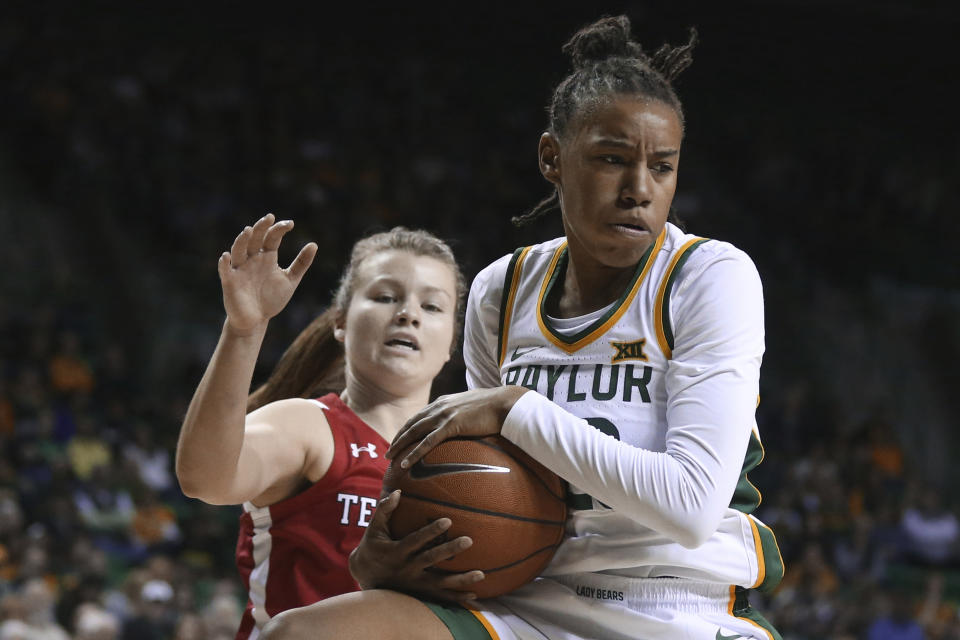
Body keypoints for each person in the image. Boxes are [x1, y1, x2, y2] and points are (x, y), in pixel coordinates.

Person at [261, 14, 784, 640]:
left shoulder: (709, 276)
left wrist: (515, 407)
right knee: (301, 634)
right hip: (528, 602)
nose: (639, 189)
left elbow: (692, 507)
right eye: (612, 159)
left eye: (662, 167)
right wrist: (383, 558)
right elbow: (480, 472)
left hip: (681, 609)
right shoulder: (500, 291)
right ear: (551, 158)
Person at [174, 214, 471, 638]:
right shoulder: (309, 426)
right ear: (340, 321)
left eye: (432, 305)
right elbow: (204, 477)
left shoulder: (472, 461)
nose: (408, 314)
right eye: (386, 297)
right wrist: (245, 330)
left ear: (451, 344)